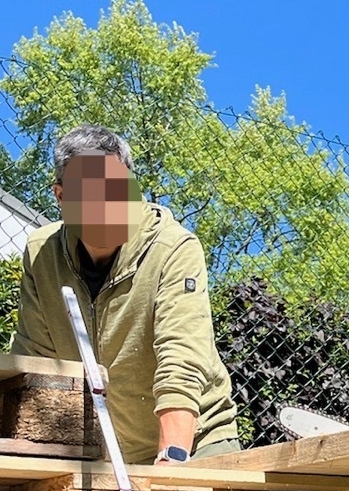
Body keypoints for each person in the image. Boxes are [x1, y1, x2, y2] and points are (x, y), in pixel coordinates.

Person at [14, 125, 240, 465]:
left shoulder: (173, 247)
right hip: (104, 452)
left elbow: (181, 359)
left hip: (195, 441)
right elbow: (37, 366)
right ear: (61, 196)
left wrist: (174, 456)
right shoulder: (41, 253)